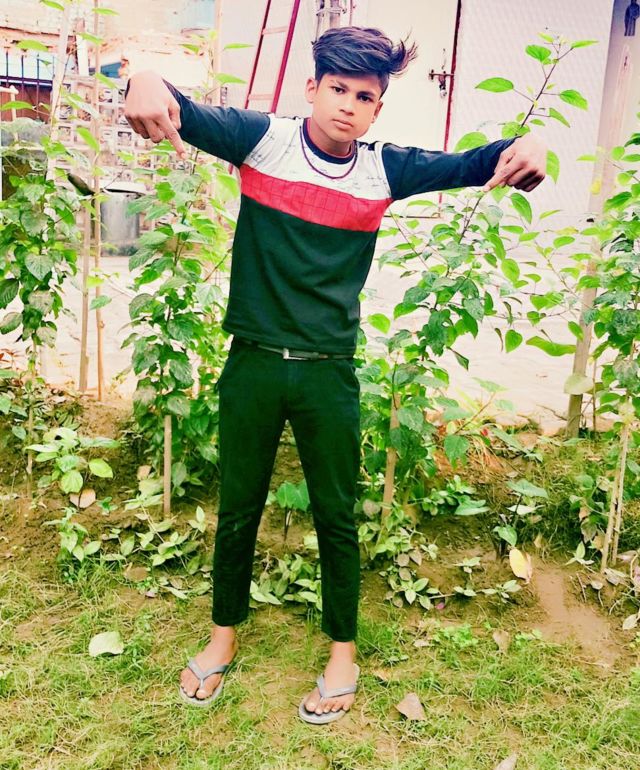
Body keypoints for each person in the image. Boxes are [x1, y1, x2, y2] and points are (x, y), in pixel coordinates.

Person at [124, 26, 546, 724]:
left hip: (330, 375)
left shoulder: (386, 170)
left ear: (378, 108)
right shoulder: (262, 140)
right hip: (253, 364)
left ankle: (342, 653)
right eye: (338, 89)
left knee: (337, 516)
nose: (349, 105)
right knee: (238, 509)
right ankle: (223, 637)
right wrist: (141, 77)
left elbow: (480, 161)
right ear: (312, 88)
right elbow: (175, 105)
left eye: (365, 96)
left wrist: (530, 145)